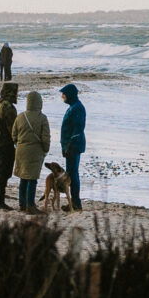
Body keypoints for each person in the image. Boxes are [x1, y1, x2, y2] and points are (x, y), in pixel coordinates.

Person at [14, 89, 49, 213]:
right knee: (32, 179)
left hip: (20, 150)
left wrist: (19, 144)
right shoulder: (42, 118)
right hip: (35, 151)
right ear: (40, 103)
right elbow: (45, 138)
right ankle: (30, 205)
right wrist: (46, 149)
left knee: (23, 178)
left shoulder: (20, 116)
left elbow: (14, 135)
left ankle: (22, 204)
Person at [57, 82, 87, 212]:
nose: (62, 96)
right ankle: (74, 202)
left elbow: (77, 129)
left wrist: (69, 146)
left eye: (64, 94)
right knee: (71, 173)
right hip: (70, 146)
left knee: (73, 175)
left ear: (69, 95)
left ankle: (76, 203)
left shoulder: (77, 108)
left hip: (74, 147)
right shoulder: (73, 107)